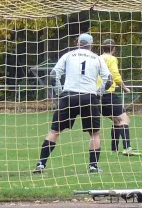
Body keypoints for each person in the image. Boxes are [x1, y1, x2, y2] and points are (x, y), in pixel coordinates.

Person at [33, 33, 111, 173]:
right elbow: (108, 79)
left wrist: (59, 92)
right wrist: (98, 94)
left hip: (68, 96)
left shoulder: (68, 55)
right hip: (89, 97)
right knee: (95, 134)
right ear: (91, 45)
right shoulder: (97, 59)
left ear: (78, 43)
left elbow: (54, 74)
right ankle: (93, 166)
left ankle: (41, 164)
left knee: (54, 131)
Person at [99, 39, 141, 156]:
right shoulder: (112, 59)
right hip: (108, 94)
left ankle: (114, 150)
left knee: (117, 121)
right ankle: (127, 148)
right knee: (125, 119)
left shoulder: (98, 58)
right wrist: (124, 87)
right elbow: (115, 76)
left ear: (103, 48)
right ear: (113, 49)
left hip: (97, 96)